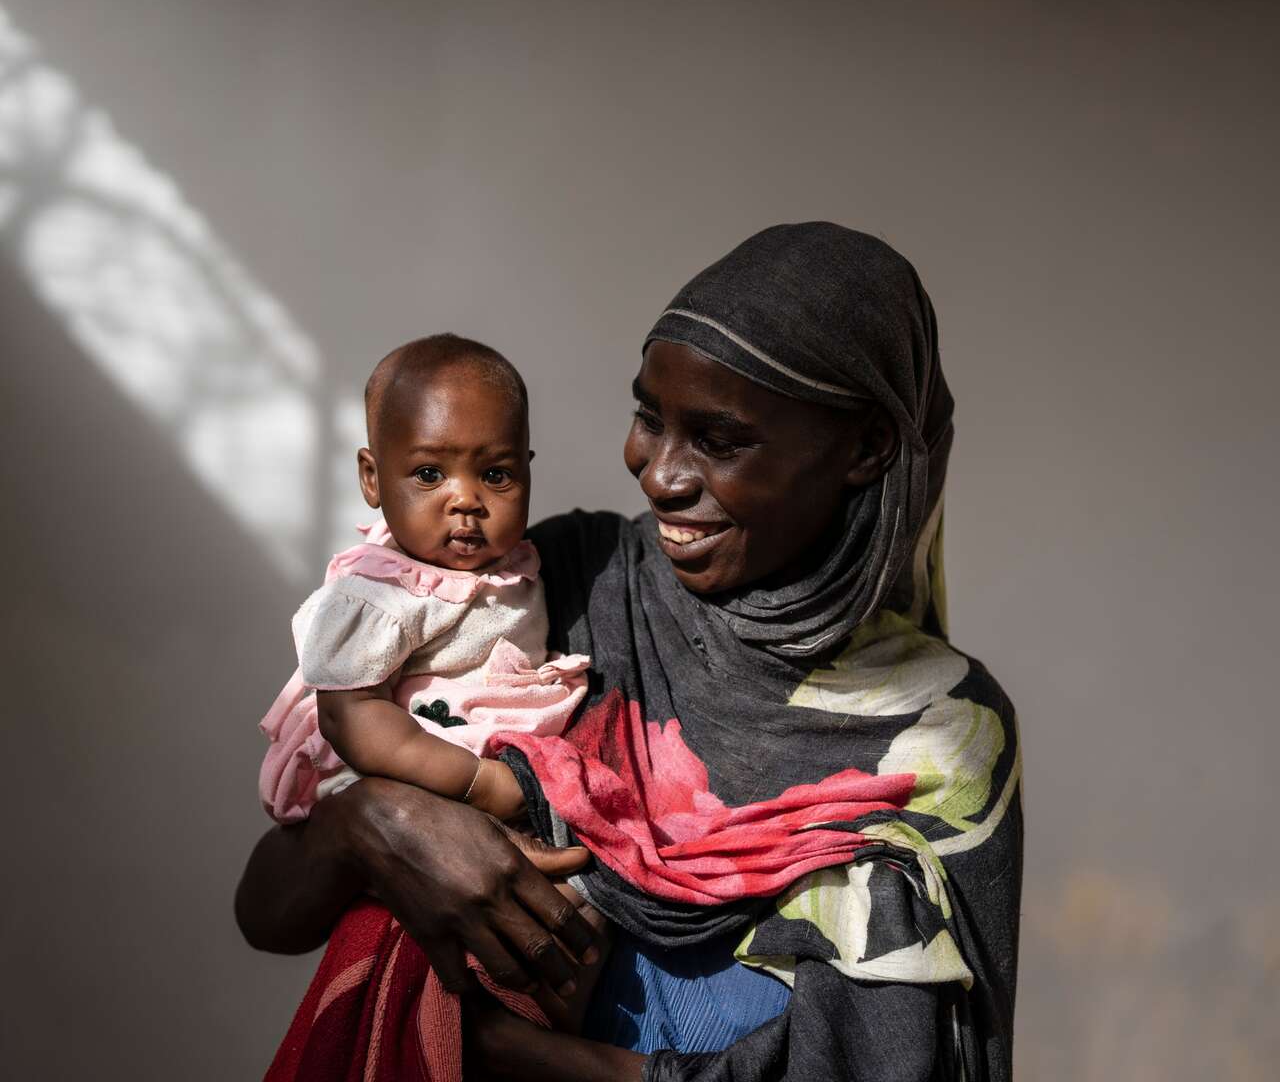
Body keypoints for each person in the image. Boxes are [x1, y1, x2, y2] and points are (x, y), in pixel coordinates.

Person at [236, 223, 1023, 1082]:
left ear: (866, 449)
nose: (657, 473)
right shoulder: (565, 584)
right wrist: (374, 823)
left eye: (719, 440)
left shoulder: (941, 736)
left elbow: (882, 1064)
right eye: (649, 417)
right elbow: (268, 910)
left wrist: (515, 1056)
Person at [259, 334, 589, 824]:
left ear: (527, 471)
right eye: (431, 474)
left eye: (496, 475)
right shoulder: (378, 595)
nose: (466, 500)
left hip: (511, 771)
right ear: (372, 478)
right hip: (414, 785)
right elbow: (347, 715)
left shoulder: (520, 564)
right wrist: (475, 782)